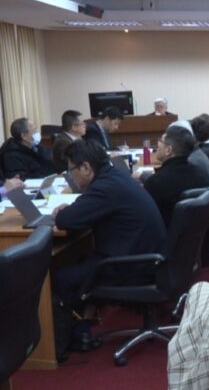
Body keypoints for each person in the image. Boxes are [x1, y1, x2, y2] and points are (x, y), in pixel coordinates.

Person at [51, 139, 166, 352]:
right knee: (84, 260)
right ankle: (83, 329)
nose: (71, 177)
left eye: (71, 171)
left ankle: (67, 342)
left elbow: (65, 220)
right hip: (147, 256)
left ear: (85, 167)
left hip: (131, 266)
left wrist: (66, 211)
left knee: (61, 278)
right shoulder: (115, 177)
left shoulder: (104, 187)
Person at [143, 126, 209, 227]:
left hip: (165, 234)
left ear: (168, 150)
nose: (157, 143)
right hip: (199, 235)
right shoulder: (202, 175)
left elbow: (145, 220)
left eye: (160, 141)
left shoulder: (155, 183)